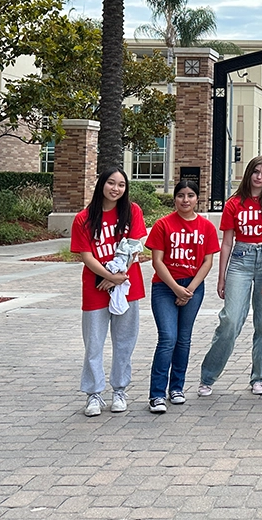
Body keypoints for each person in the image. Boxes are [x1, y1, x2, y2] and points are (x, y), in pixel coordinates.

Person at [198, 156, 262, 397]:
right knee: (230, 320)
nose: (259, 177)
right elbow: (226, 243)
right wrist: (221, 276)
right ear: (249, 173)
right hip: (240, 259)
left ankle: (259, 376)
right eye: (256, 172)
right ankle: (208, 376)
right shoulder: (234, 203)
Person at [72, 169, 148, 417]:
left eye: (121, 185)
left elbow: (135, 247)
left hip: (127, 286)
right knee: (93, 344)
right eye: (111, 183)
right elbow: (86, 256)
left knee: (124, 342)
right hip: (96, 288)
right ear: (101, 184)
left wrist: (117, 277)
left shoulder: (132, 211)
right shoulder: (83, 218)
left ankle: (119, 390)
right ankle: (94, 394)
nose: (116, 189)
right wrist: (107, 276)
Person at [145, 180, 219, 413]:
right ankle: (157, 394)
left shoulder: (206, 227)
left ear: (197, 199)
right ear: (174, 198)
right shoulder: (162, 225)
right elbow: (157, 261)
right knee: (168, 337)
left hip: (193, 287)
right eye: (180, 196)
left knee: (183, 339)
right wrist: (176, 288)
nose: (185, 200)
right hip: (165, 287)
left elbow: (208, 261)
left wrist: (190, 289)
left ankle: (176, 388)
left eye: (190, 195)